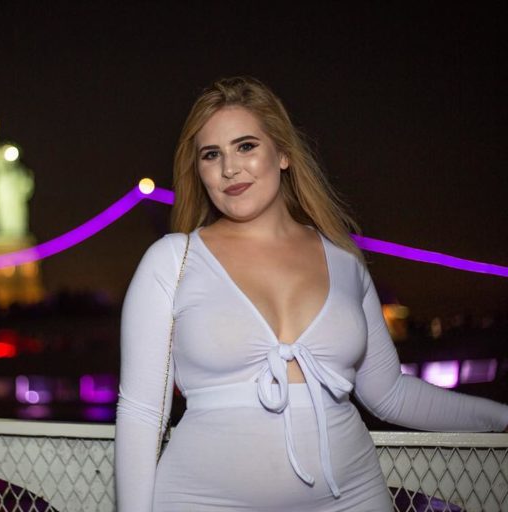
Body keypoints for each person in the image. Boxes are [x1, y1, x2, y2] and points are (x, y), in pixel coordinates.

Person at [114, 76, 508, 511]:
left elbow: (389, 393)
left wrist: (500, 418)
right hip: (204, 500)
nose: (230, 168)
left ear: (283, 154)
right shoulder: (173, 261)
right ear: (199, 169)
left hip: (350, 496)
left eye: (246, 146)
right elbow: (142, 414)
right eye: (212, 155)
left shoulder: (344, 260)